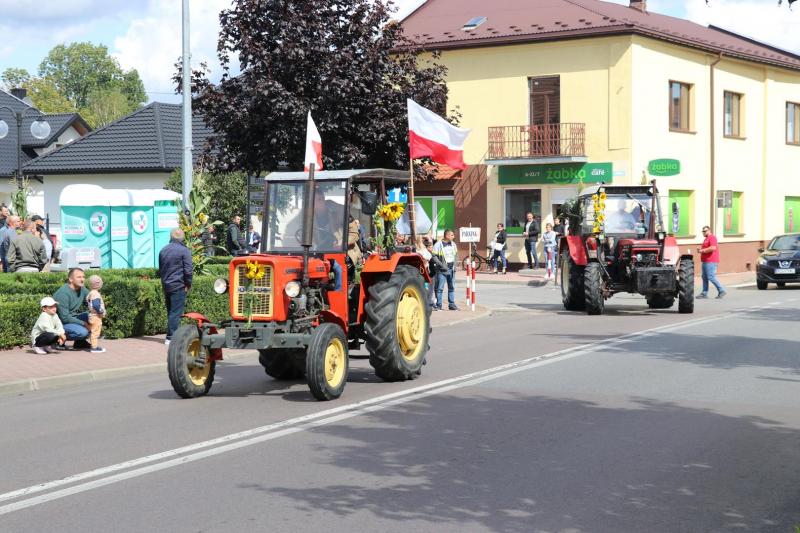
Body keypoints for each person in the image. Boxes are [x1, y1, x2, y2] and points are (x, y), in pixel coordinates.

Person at [158, 228, 193, 345]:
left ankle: (172, 335)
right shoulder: (184, 251)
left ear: (171, 237)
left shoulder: (163, 250)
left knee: (171, 312)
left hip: (166, 285)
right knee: (176, 313)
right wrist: (188, 284)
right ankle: (171, 337)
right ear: (183, 238)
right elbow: (188, 270)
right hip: (178, 285)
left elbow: (161, 270)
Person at [53, 268, 91, 350]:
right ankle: (57, 339)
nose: (82, 279)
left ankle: (80, 342)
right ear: (70, 279)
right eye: (79, 277)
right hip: (60, 323)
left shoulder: (82, 289)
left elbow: (91, 301)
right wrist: (84, 323)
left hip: (72, 318)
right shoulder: (63, 294)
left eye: (83, 277)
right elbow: (65, 318)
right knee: (82, 332)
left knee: (93, 317)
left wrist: (98, 310)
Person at [697, 225, 726, 299]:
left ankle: (721, 290)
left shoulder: (712, 237)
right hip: (705, 261)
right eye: (703, 231)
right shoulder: (706, 239)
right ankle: (704, 293)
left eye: (705, 231)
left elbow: (713, 248)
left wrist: (702, 250)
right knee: (704, 277)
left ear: (709, 230)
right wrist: (700, 250)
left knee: (711, 276)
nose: (703, 232)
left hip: (711, 261)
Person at [433, 229, 458, 311]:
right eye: (452, 235)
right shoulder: (438, 244)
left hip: (451, 269)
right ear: (447, 236)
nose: (453, 236)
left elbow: (456, 255)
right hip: (442, 270)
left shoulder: (453, 244)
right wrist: (441, 265)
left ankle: (451, 304)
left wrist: (455, 265)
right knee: (440, 288)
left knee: (451, 287)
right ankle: (439, 305)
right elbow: (434, 257)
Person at [84, 275, 107, 353]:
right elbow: (96, 305)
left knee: (93, 331)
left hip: (92, 315)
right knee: (95, 331)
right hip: (96, 316)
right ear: (98, 283)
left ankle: (94, 346)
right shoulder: (95, 294)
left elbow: (86, 302)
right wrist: (101, 312)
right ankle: (94, 347)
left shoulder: (91, 293)